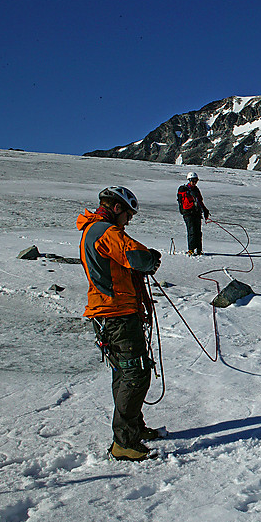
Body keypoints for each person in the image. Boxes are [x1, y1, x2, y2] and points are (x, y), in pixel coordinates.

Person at [77, 186, 163, 461]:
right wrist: (152, 258)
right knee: (136, 375)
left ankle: (133, 429)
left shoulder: (92, 230)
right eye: (128, 214)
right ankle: (124, 441)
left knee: (123, 372)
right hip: (117, 313)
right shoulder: (107, 232)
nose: (129, 220)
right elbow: (138, 257)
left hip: (107, 312)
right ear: (117, 208)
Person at [177, 172, 210, 255]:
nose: (194, 182)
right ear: (189, 180)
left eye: (196, 181)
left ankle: (199, 249)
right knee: (191, 231)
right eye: (193, 181)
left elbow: (200, 201)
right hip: (188, 213)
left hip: (196, 213)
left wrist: (205, 210)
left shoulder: (196, 190)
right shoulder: (183, 189)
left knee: (198, 232)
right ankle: (191, 249)